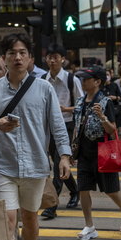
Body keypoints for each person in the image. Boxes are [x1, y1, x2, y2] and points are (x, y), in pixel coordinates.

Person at [0, 33, 71, 240]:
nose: (17, 57)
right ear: (4, 58)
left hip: (35, 166)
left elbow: (57, 125)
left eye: (22, 53)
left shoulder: (44, 89)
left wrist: (64, 156)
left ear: (30, 58)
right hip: (3, 166)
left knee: (30, 219)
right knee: (7, 221)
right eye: (12, 53)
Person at [74, 66, 121, 240]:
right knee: (83, 189)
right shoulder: (80, 101)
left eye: (86, 79)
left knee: (111, 190)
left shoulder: (105, 102)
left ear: (97, 82)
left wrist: (102, 116)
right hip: (84, 154)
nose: (83, 81)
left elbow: (112, 130)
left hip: (103, 153)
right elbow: (77, 126)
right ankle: (89, 226)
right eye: (82, 79)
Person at [41, 43, 83, 220]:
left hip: (67, 125)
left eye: (56, 57)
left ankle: (52, 205)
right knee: (59, 163)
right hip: (48, 126)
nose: (52, 60)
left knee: (59, 164)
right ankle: (75, 191)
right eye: (50, 57)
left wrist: (65, 109)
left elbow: (82, 104)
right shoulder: (42, 79)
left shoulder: (72, 79)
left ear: (63, 60)